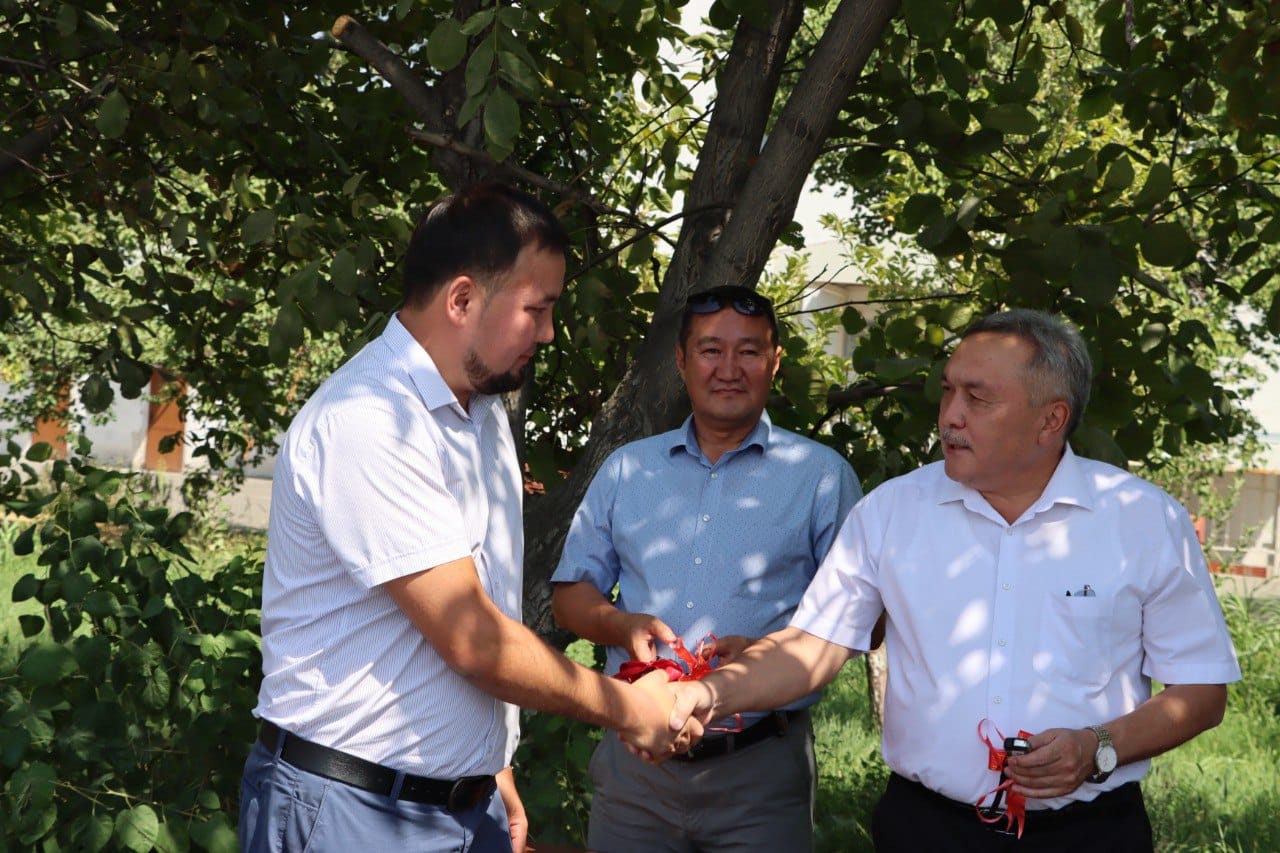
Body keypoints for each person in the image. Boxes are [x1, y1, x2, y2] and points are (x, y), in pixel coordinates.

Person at [661, 309, 1241, 852]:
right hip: (926, 827)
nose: (951, 416)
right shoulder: (892, 512)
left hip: (1091, 831)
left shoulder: (1142, 520)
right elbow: (811, 648)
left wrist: (1099, 748)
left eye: (977, 398)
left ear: (1051, 419)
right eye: (947, 391)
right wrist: (705, 694)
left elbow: (1200, 692)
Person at [238, 183, 694, 853]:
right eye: (537, 309)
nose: (548, 332)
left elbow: (470, 607)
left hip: (458, 803)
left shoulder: (479, 412)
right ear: (461, 300)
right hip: (352, 813)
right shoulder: (370, 421)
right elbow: (473, 638)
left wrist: (487, 762)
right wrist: (628, 707)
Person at [550, 284, 862, 852]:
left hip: (759, 768)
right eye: (711, 350)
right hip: (636, 767)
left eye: (749, 351)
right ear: (681, 360)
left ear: (774, 361)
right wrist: (620, 625)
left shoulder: (821, 476)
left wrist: (769, 654)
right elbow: (570, 597)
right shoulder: (627, 470)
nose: (729, 368)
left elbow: (864, 622)